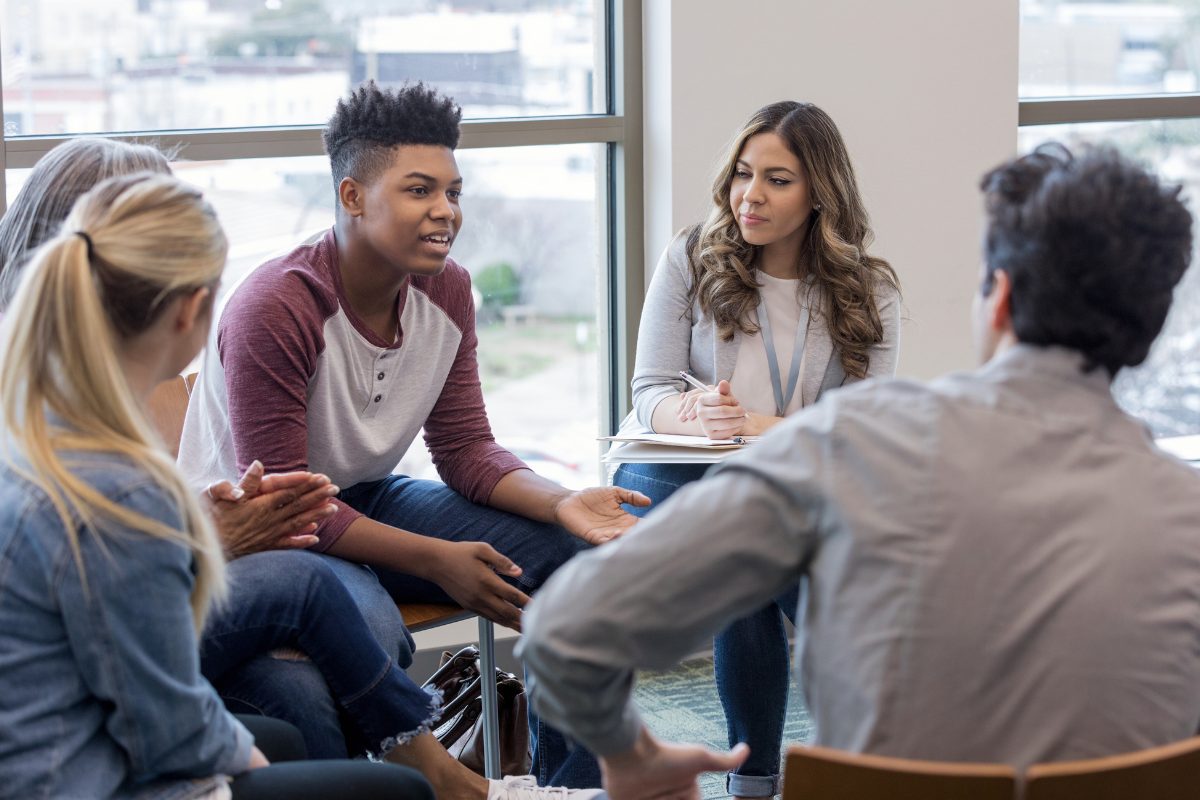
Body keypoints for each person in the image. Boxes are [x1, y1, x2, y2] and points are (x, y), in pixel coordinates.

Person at [519, 142, 1200, 800]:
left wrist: (633, 757)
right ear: (1151, 324)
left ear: (1000, 298)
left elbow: (563, 636)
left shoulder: (849, 442)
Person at [178, 80, 648, 789]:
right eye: (420, 190)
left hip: (366, 497)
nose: (445, 212)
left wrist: (560, 503)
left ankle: (566, 786)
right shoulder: (276, 307)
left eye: (453, 192)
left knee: (573, 559)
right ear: (352, 196)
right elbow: (291, 507)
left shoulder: (448, 290)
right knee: (369, 631)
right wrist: (436, 559)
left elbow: (464, 449)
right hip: (263, 533)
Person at [0, 171, 432, 800]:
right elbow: (162, 728)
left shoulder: (42, 422)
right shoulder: (118, 483)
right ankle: (433, 776)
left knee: (290, 697)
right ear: (192, 310)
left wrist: (189, 532)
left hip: (51, 736)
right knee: (391, 792)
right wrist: (244, 763)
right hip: (82, 774)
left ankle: (429, 764)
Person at [613, 100, 899, 798]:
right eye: (743, 174)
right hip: (678, 473)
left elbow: (857, 426)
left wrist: (762, 429)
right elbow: (648, 389)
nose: (751, 195)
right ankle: (791, 776)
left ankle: (771, 781)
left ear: (819, 193)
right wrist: (693, 412)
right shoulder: (690, 256)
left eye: (777, 179)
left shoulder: (869, 289)